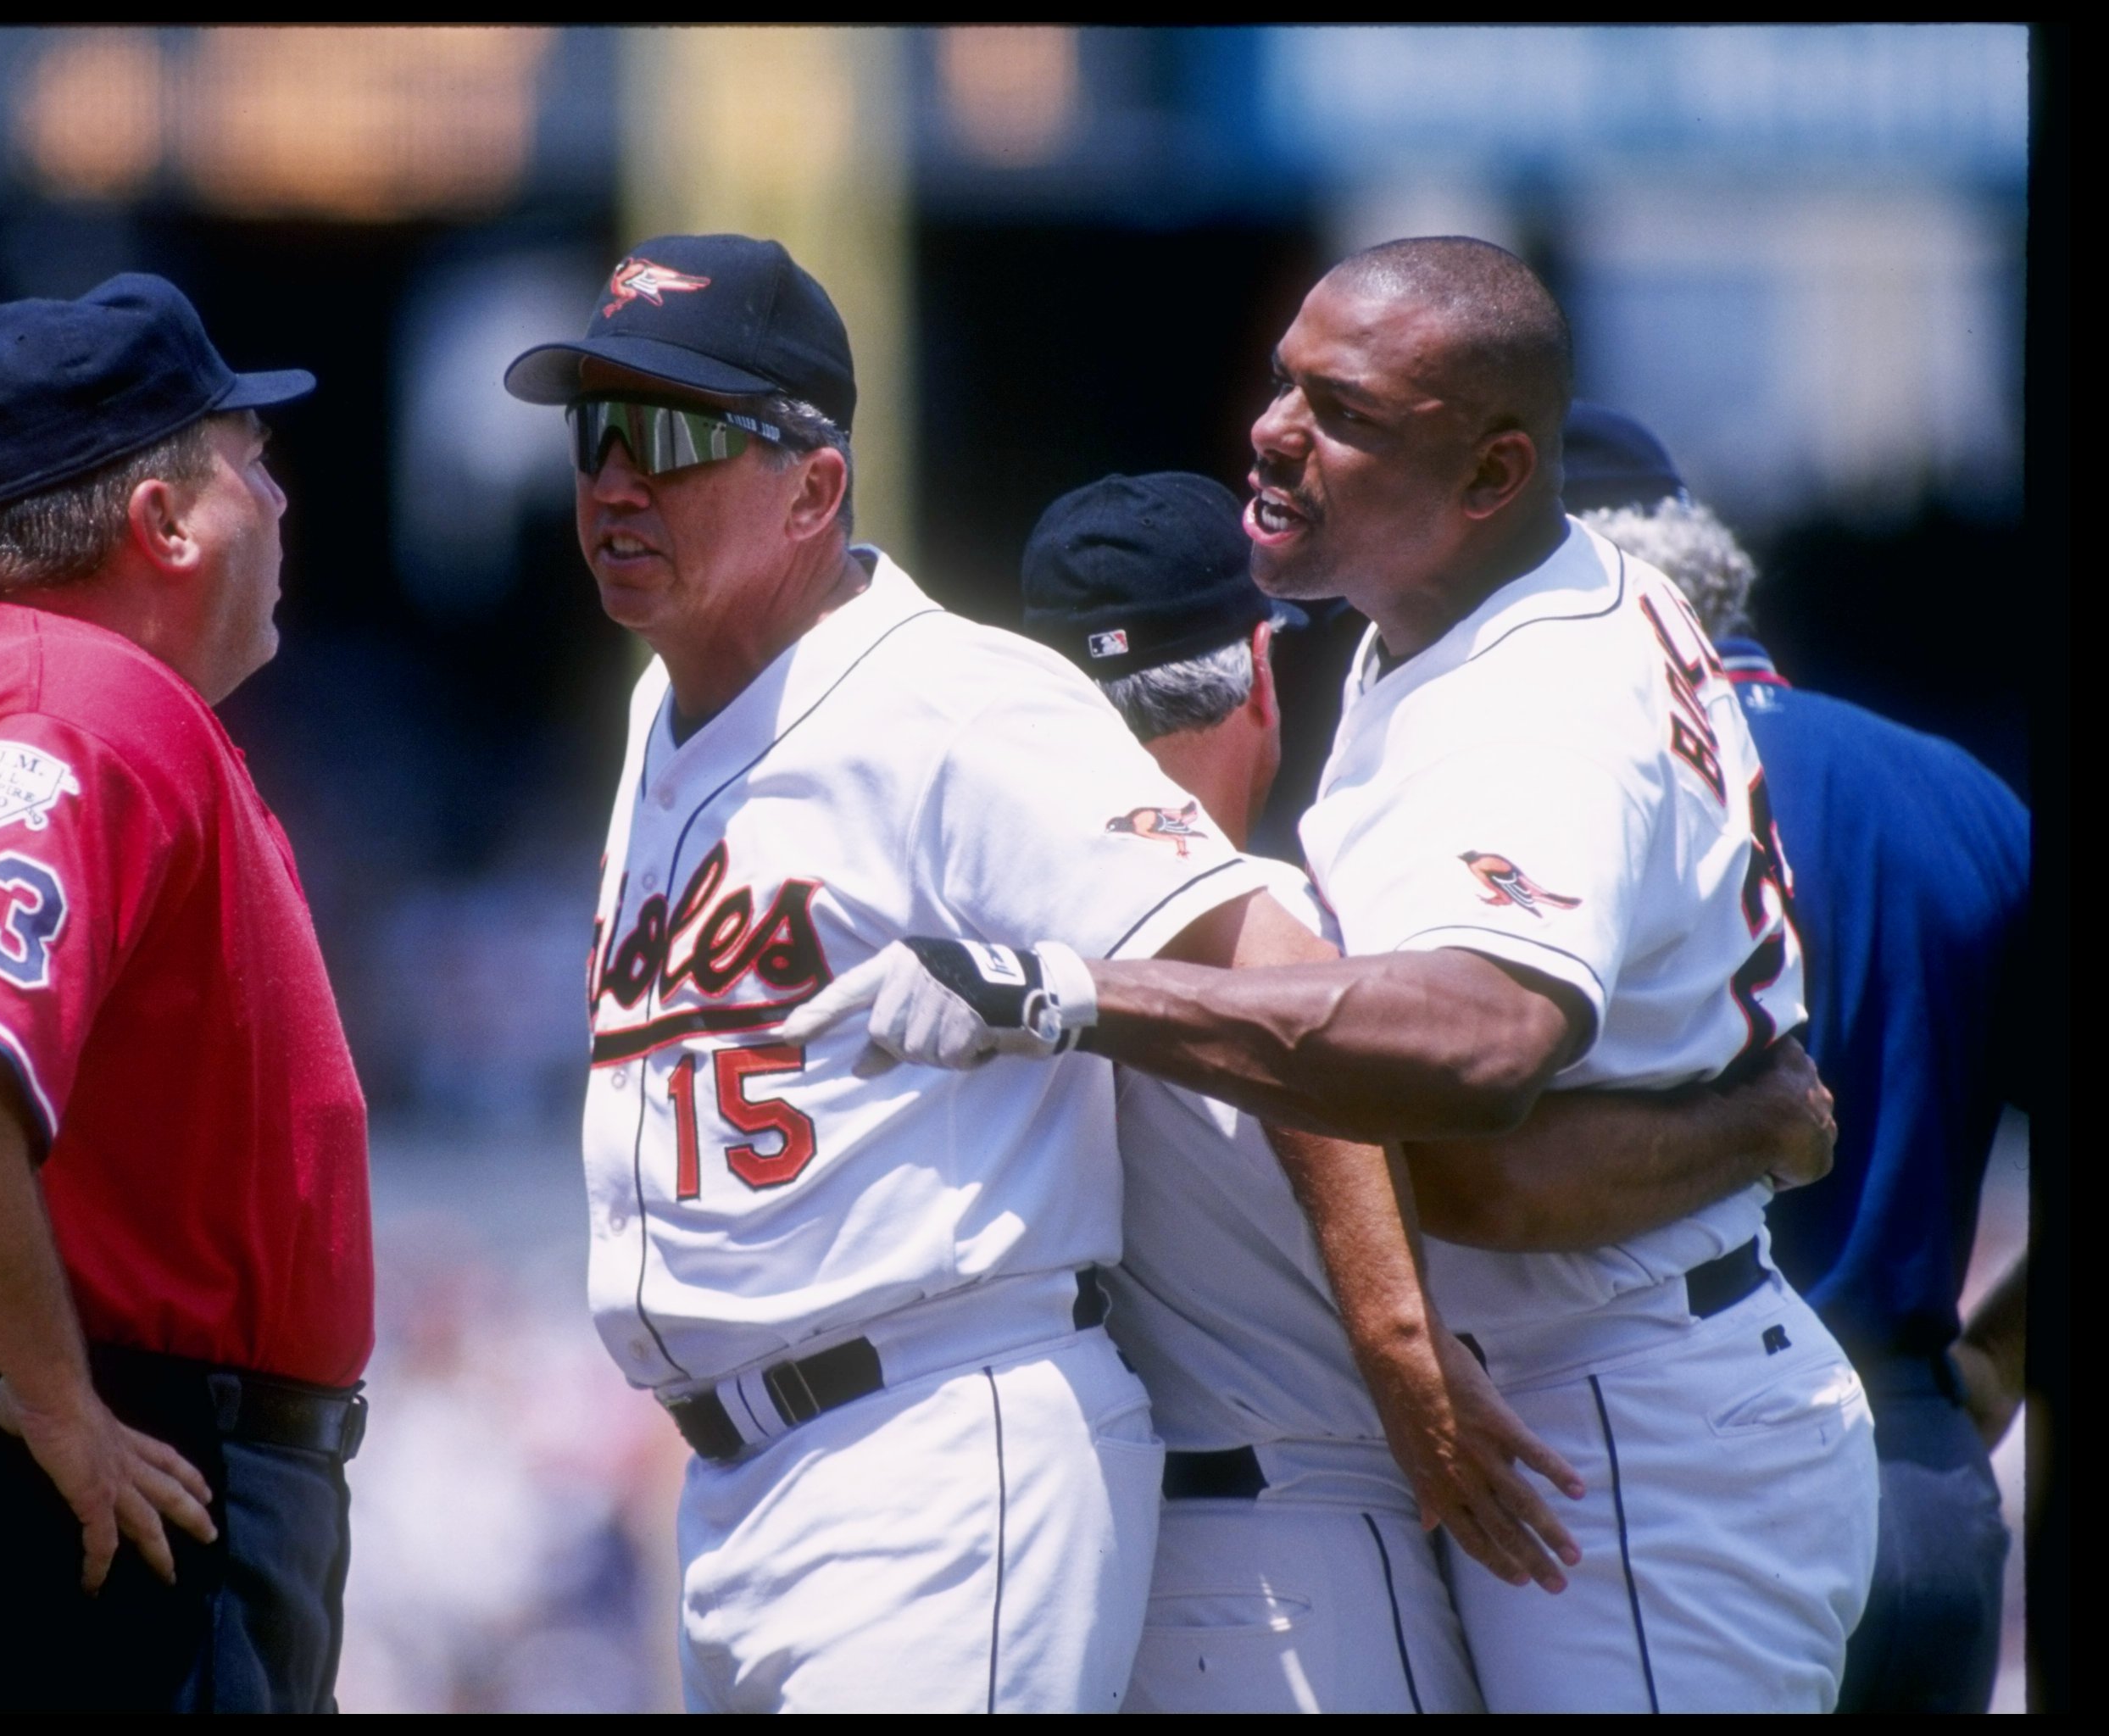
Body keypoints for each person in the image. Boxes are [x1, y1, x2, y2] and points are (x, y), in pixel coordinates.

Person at [798, 238, 1881, 1711]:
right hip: (1610, 1380)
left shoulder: (1529, 704)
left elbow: (1478, 1061)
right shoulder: (1481, 608)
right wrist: (1749, 1126)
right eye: (1285, 381)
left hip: (1638, 1422)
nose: (1275, 429)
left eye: (1347, 411)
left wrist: (1074, 990)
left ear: (1493, 476)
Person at [502, 234, 1580, 1713]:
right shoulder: (659, 706)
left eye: (675, 435)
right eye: (596, 431)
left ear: (816, 486)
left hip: (931, 1440)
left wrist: (1397, 1342)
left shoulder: (956, 698)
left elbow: (1274, 964)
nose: (618, 479)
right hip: (739, 1480)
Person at [1009, 470, 1840, 1713]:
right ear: (1256, 662)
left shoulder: (999, 918)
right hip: (1316, 1544)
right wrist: (1760, 1125)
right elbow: (1455, 1157)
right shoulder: (1286, 940)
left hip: (1117, 1549)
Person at [0, 274, 372, 1711]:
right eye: (250, 463)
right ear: (161, 526)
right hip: (49, 1519)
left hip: (72, 1495)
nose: (280, 504)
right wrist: (57, 1399)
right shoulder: (70, 702)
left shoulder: (47, 691)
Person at [1564, 403, 2031, 1713]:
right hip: (1916, 1474)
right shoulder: (1956, 790)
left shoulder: (1577, 811)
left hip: (1678, 1481)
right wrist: (1993, 1360)